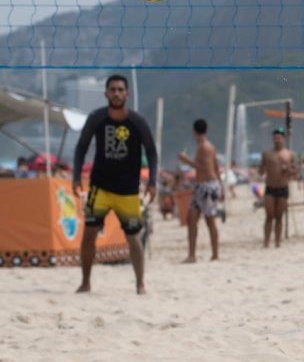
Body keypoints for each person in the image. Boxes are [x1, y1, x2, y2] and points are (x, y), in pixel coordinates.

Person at [72, 75, 158, 295]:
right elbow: (81, 147)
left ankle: (140, 284)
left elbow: (151, 151)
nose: (117, 93)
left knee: (133, 237)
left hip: (128, 191)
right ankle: (85, 282)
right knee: (89, 234)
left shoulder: (137, 121)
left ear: (127, 94)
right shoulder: (96, 118)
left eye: (120, 90)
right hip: (99, 188)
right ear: (106, 94)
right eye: (113, 90)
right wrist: (75, 178)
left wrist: (153, 182)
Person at [177, 119, 222, 263]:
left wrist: (186, 161)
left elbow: (206, 168)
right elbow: (215, 166)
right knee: (192, 219)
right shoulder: (210, 146)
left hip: (207, 186)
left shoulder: (204, 147)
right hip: (206, 185)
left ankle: (214, 254)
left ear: (194, 131)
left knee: (209, 221)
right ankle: (192, 255)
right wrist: (220, 185)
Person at [259, 128, 295, 248]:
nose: (277, 140)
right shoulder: (267, 154)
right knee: (269, 216)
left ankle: (278, 242)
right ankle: (266, 241)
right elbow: (261, 171)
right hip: (270, 188)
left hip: (283, 187)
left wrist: (288, 169)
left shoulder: (289, 154)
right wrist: (263, 167)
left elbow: (295, 172)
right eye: (275, 138)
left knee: (279, 217)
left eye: (279, 138)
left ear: (283, 139)